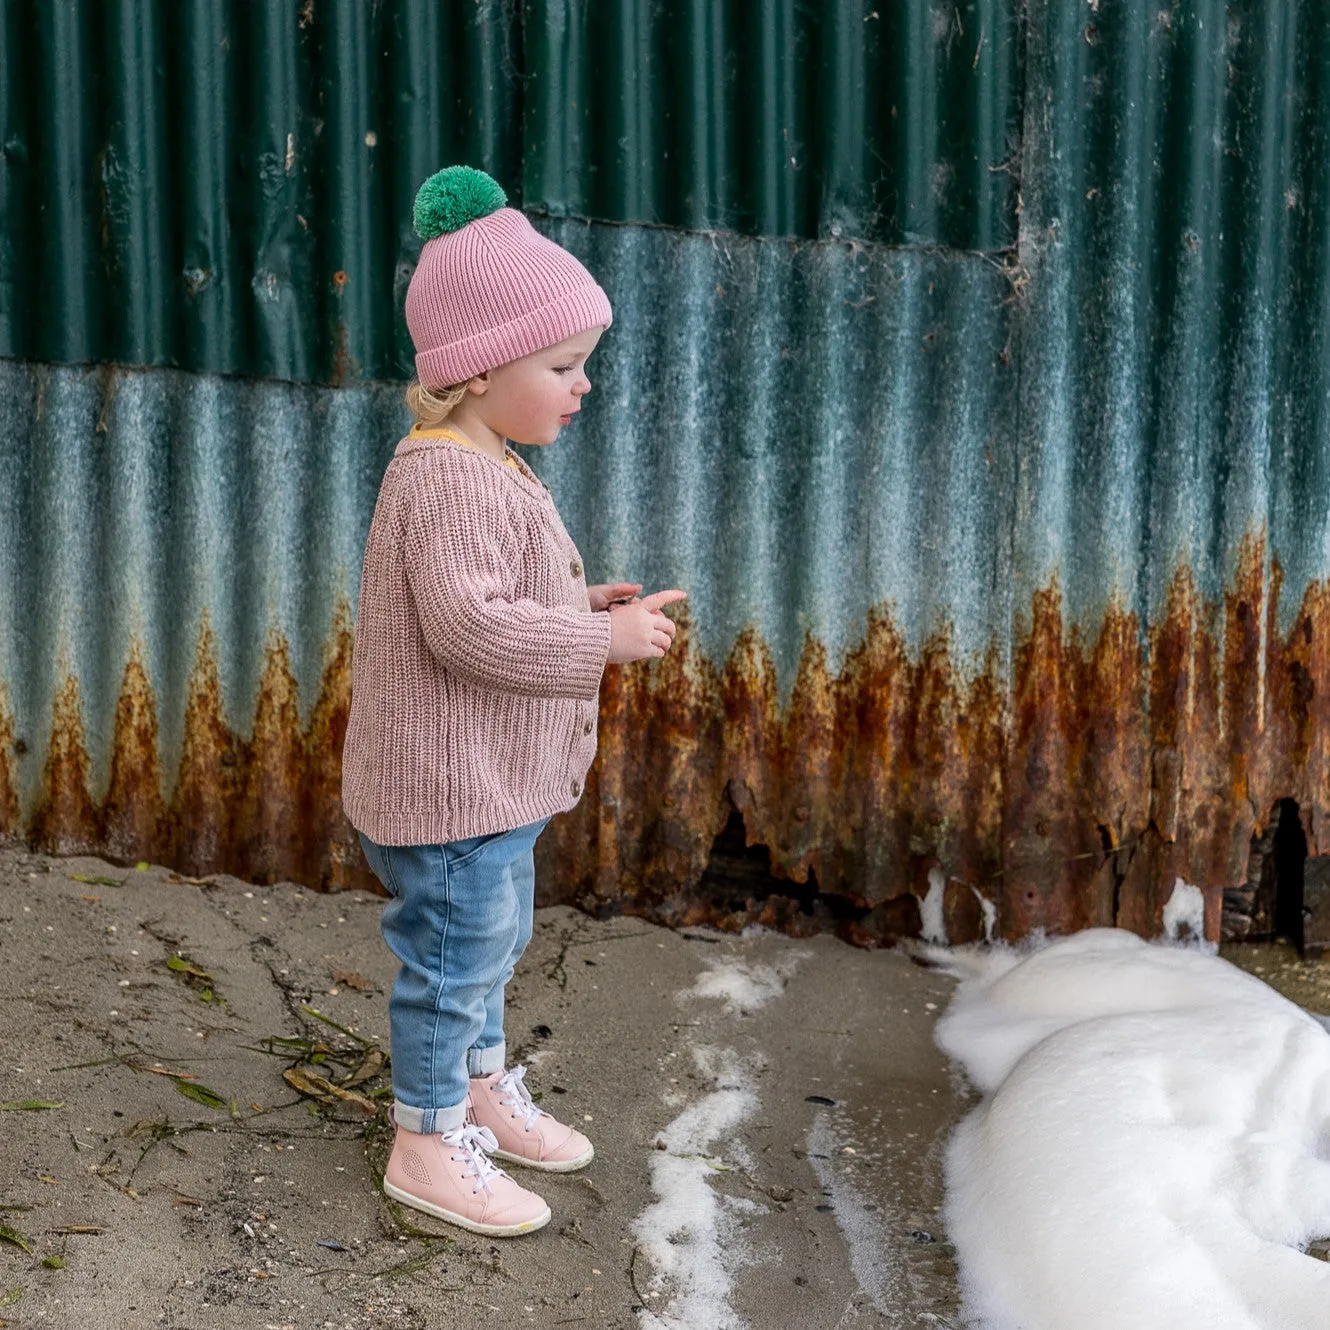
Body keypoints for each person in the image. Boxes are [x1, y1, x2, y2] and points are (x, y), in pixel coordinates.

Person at [341, 165, 685, 1237]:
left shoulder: (487, 459)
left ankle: (479, 1088)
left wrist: (573, 599)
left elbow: (489, 597)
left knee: (486, 948)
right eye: (564, 364)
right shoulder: (443, 473)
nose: (583, 385)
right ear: (481, 368)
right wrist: (598, 638)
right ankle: (427, 1140)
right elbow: (471, 628)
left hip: (487, 787)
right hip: (450, 796)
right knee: (449, 964)